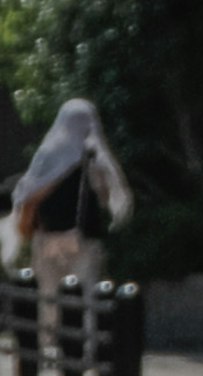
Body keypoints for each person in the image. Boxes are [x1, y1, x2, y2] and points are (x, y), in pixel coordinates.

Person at [4, 96, 129, 282]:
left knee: (50, 304)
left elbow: (28, 198)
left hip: (47, 243)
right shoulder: (94, 157)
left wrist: (26, 232)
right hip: (85, 242)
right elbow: (105, 198)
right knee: (86, 304)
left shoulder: (46, 155)